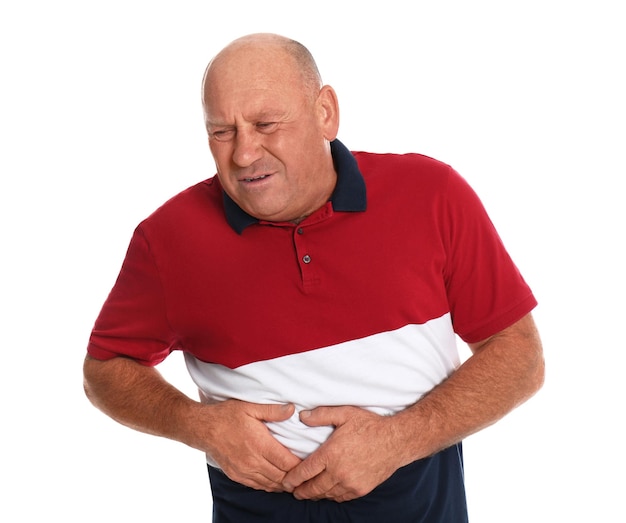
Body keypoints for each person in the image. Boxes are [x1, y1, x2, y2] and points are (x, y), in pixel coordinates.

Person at [83, 33, 544, 522]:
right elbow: (105, 369)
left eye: (266, 124)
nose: (243, 154)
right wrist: (198, 425)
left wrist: (396, 440)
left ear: (325, 111)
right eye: (222, 131)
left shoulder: (431, 195)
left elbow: (519, 357)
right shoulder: (168, 239)